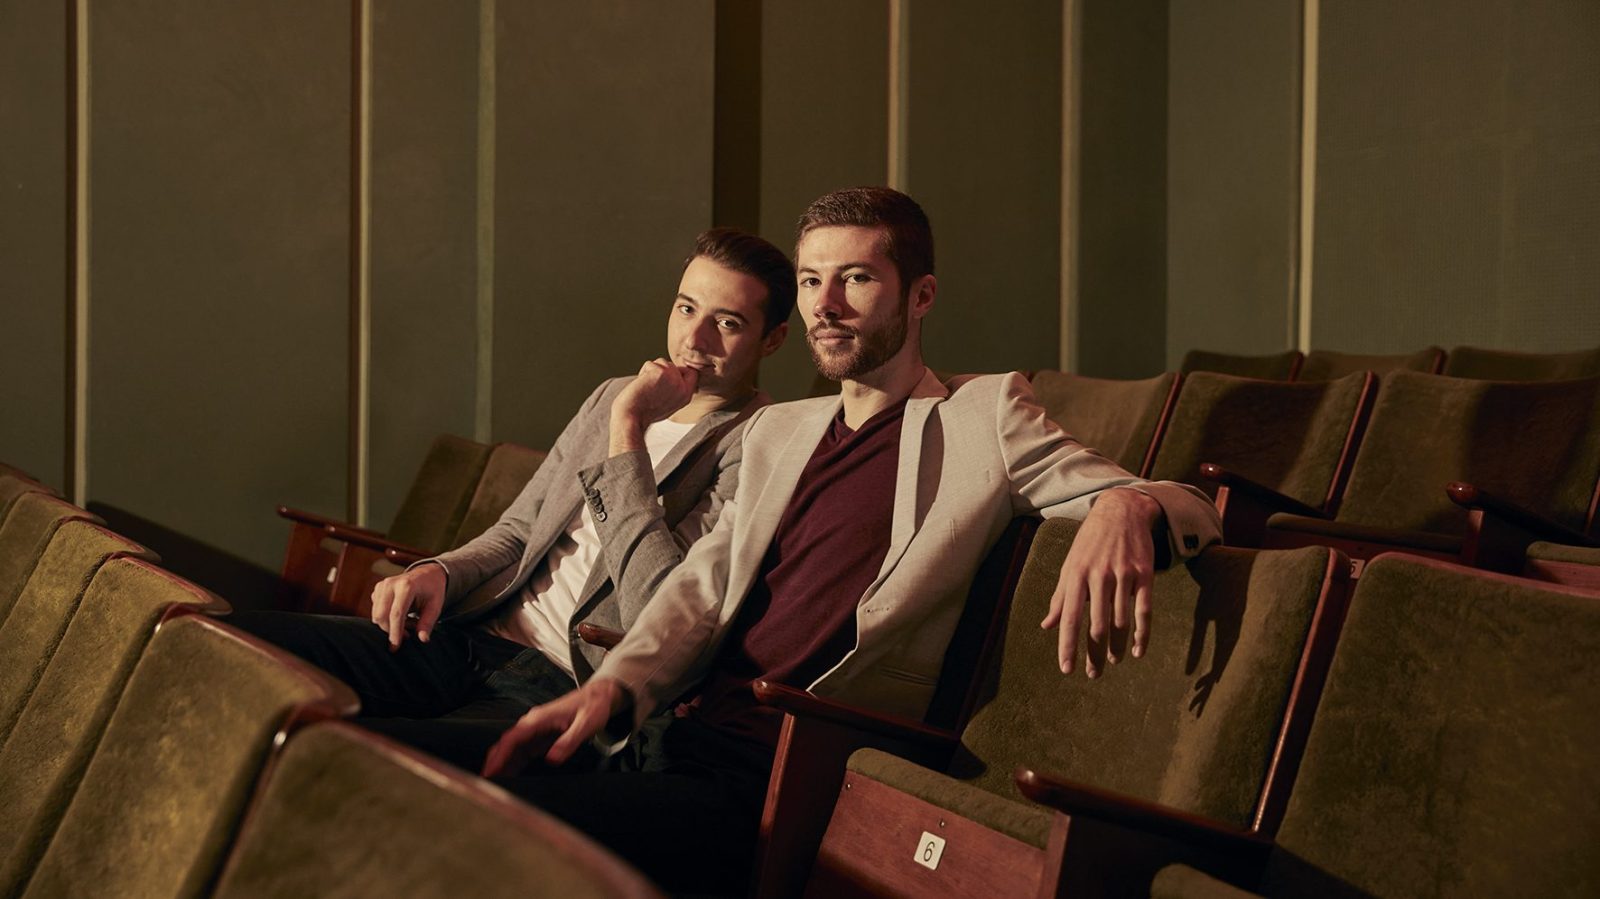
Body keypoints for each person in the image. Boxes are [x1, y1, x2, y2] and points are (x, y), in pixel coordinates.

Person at [478, 187, 1223, 893]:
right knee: (444, 789)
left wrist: (1126, 505)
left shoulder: (985, 415)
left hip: (778, 770)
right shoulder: (778, 427)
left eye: (855, 279)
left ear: (920, 296)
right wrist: (616, 685)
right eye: (809, 282)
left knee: (506, 839)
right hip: (663, 731)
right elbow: (701, 588)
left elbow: (1191, 504)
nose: (824, 307)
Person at [231, 228, 794, 763]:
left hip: (564, 681)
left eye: (727, 322)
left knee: (347, 753)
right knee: (235, 646)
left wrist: (629, 430)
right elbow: (521, 529)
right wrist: (441, 573)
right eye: (685, 307)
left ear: (773, 339)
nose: (693, 339)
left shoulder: (752, 447)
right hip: (473, 635)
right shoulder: (613, 395)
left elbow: (658, 607)